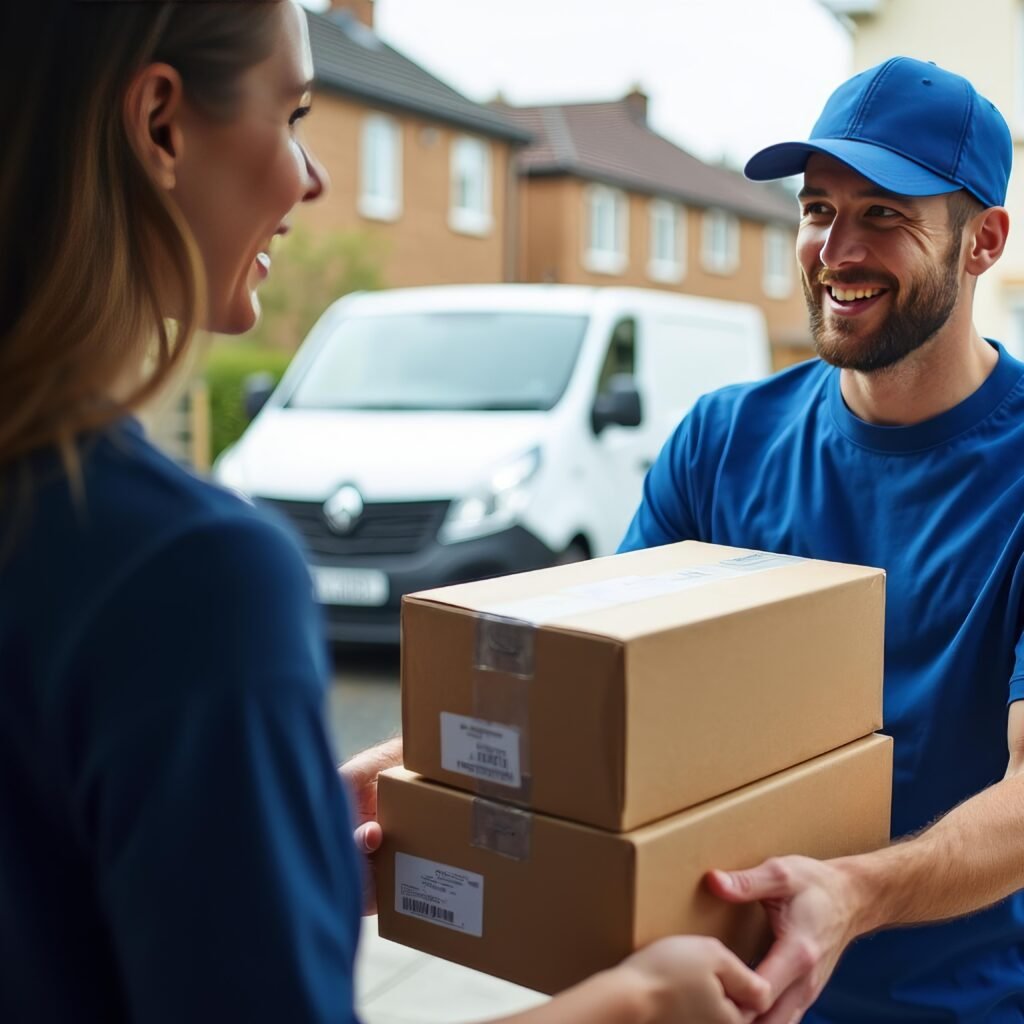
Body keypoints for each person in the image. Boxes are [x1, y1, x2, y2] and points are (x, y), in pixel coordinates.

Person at [0, 3, 771, 1022]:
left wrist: (281, 860)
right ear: (161, 127)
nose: (310, 177)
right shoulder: (188, 577)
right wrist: (628, 1004)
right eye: (294, 115)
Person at [620, 56, 1024, 1022]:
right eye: (816, 209)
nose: (835, 248)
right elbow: (597, 675)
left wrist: (854, 894)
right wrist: (407, 770)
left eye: (884, 214)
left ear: (983, 242)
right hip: (719, 991)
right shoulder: (723, 442)